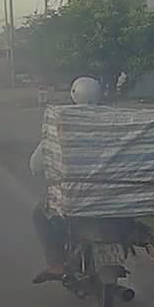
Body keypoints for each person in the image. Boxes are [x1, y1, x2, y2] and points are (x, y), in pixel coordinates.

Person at [29, 75, 103, 284]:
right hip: (111, 197)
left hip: (74, 198)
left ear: (74, 95)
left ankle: (56, 264)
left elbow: (36, 165)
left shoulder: (61, 122)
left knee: (39, 214)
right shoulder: (114, 121)